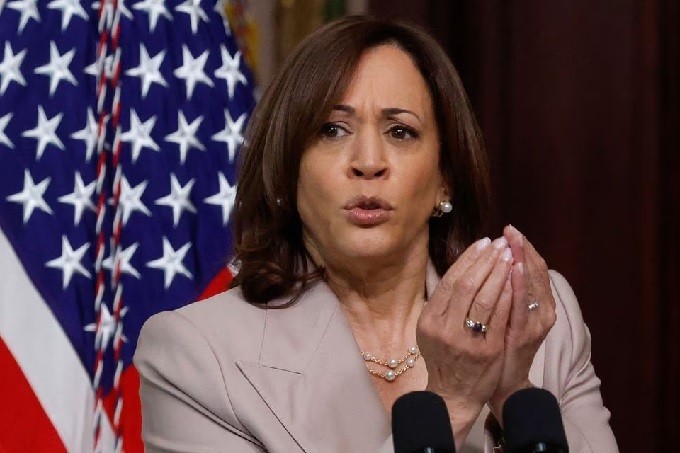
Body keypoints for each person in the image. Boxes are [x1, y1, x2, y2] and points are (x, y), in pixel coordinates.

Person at [134, 16, 618, 453]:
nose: (368, 162)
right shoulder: (197, 355)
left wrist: (514, 395)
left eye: (400, 132)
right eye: (332, 130)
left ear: (445, 178)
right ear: (286, 173)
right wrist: (449, 404)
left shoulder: (540, 317)